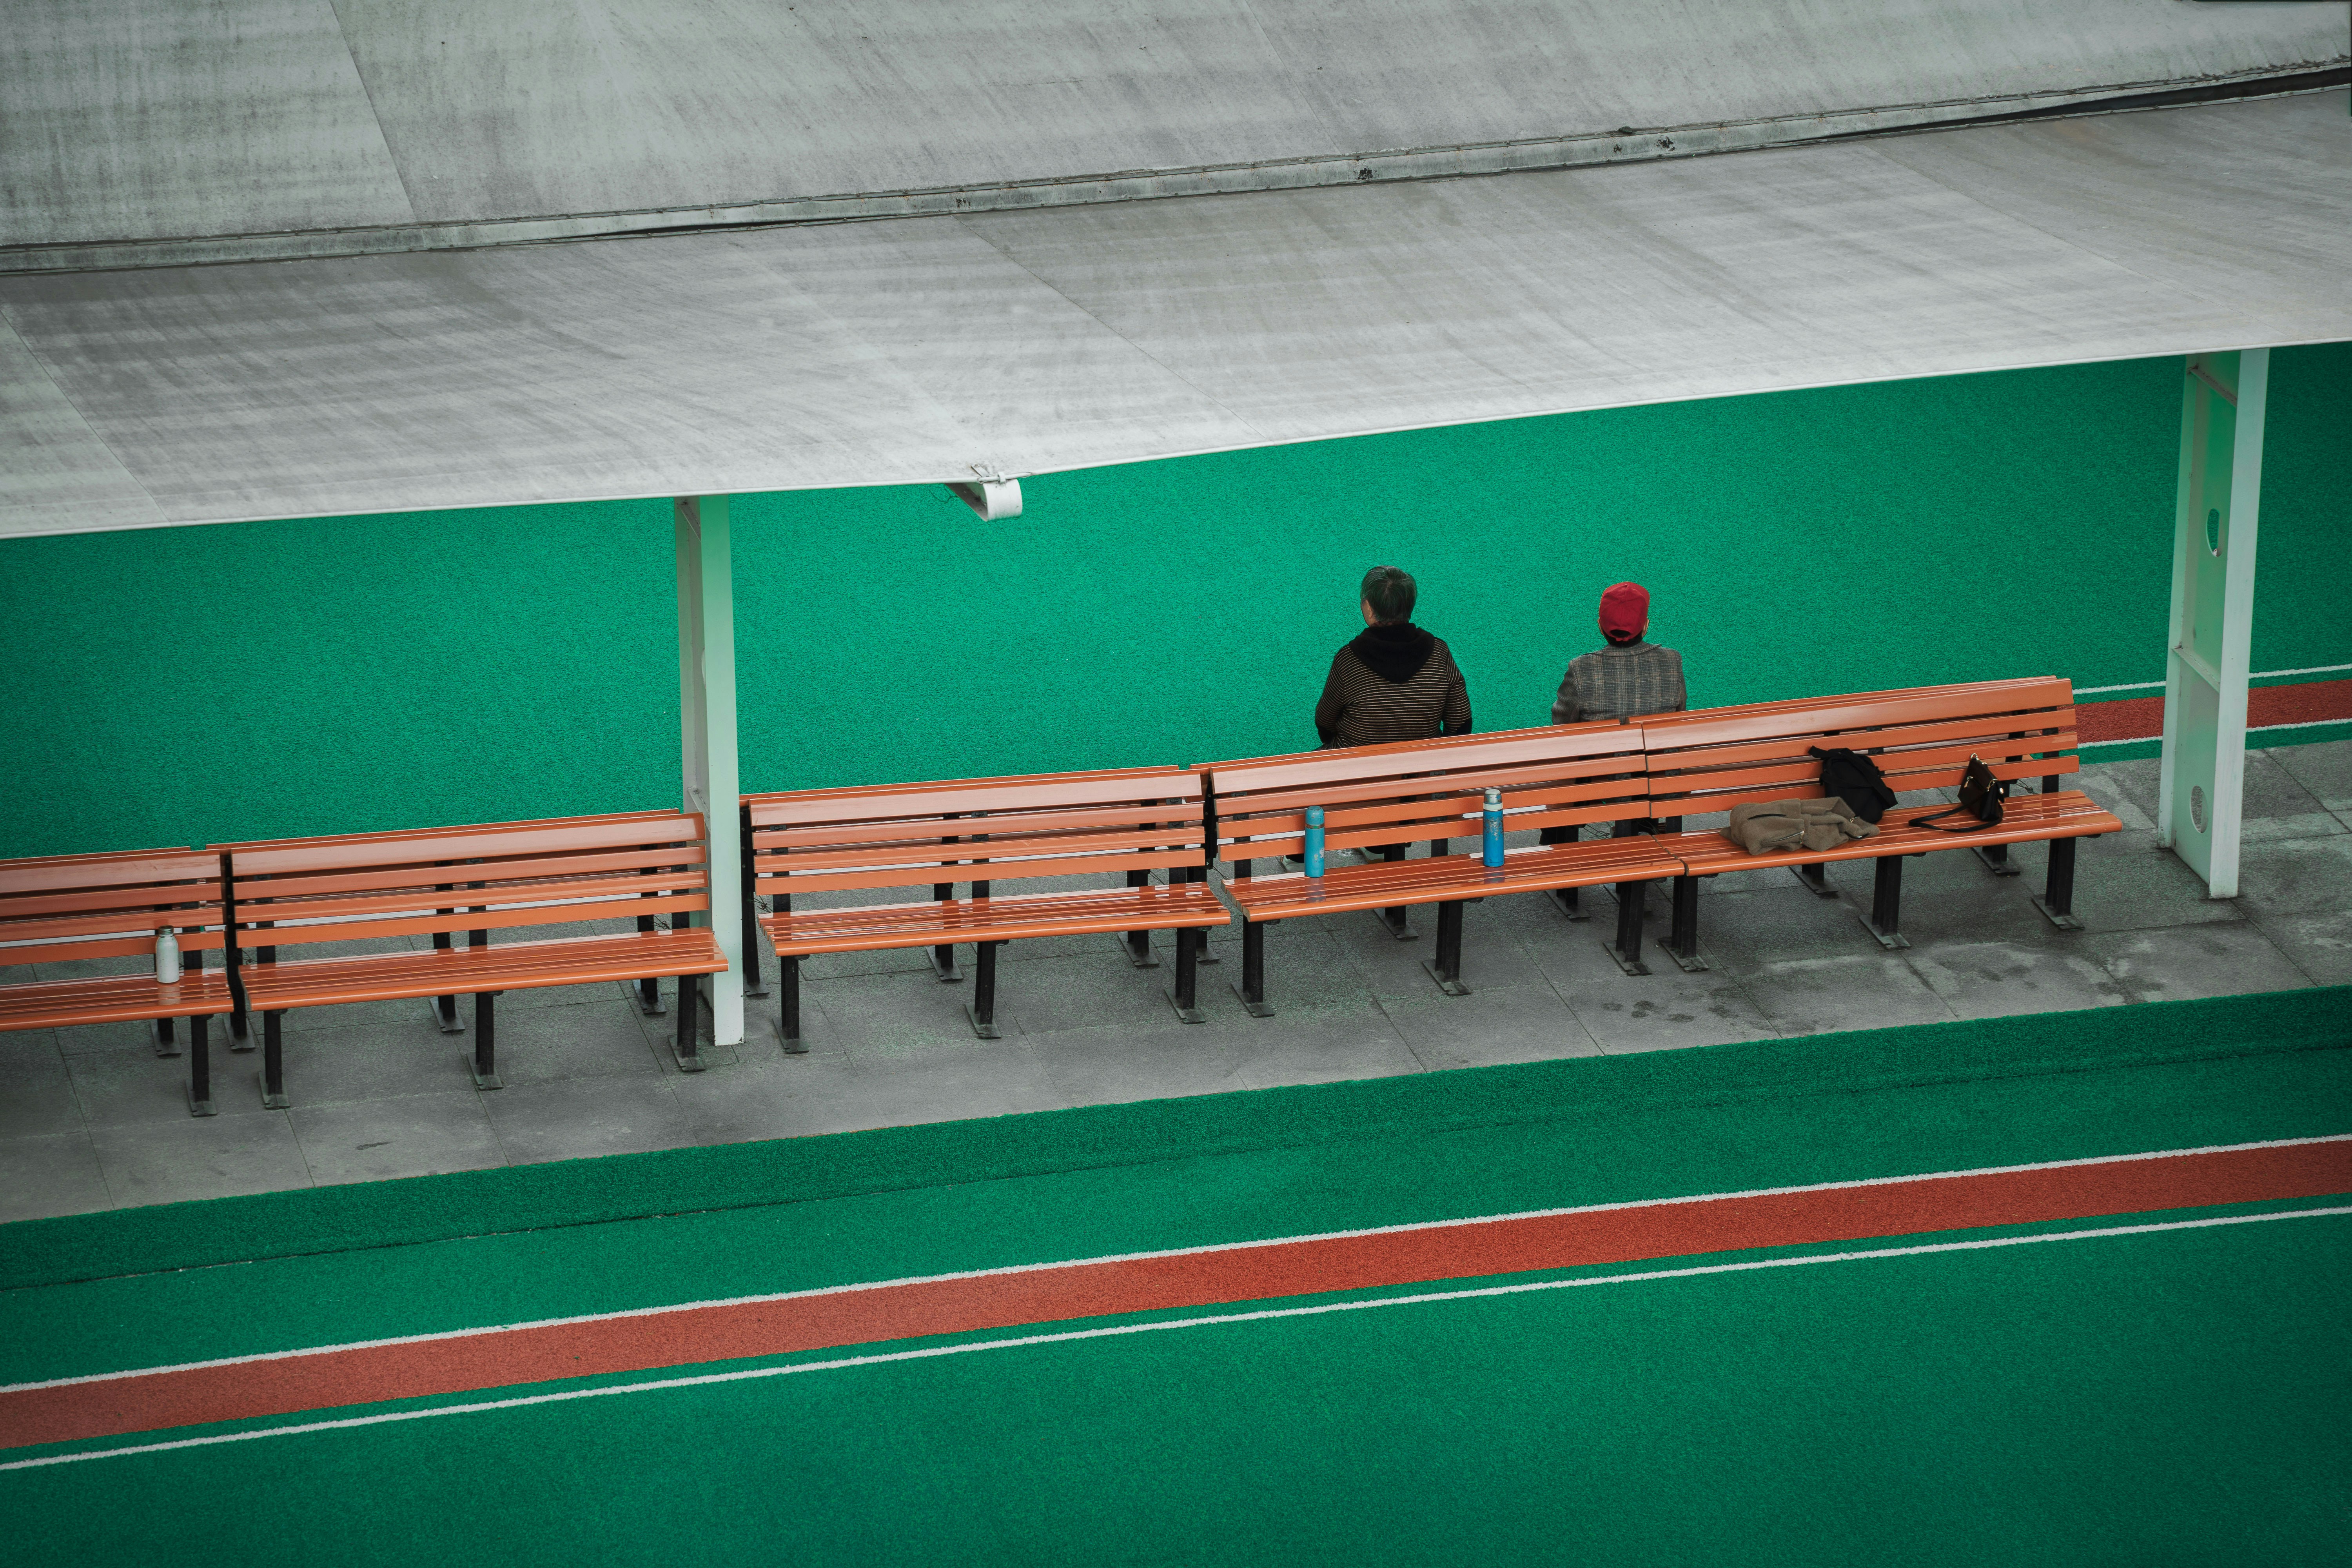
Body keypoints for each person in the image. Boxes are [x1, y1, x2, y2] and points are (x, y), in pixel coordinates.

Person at [1542, 582, 1687, 914]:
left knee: (1568, 774)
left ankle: (1561, 854)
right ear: (1646, 624)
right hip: (1659, 781)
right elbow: (1679, 714)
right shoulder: (1672, 661)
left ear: (1600, 625)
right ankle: (1644, 828)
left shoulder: (1582, 668)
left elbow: (1563, 725)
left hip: (1601, 784)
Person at [1313, 566, 1472, 748]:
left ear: (1368, 607)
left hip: (1357, 766)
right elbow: (1461, 723)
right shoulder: (1440, 652)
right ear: (1410, 605)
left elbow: (1325, 723)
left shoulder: (1347, 660)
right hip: (1425, 764)